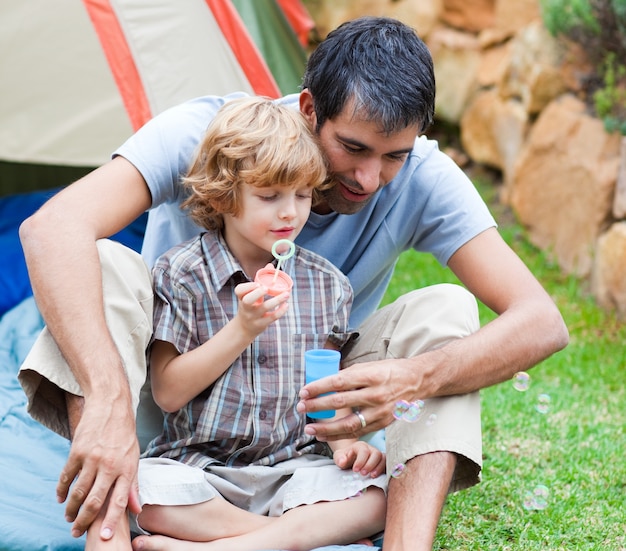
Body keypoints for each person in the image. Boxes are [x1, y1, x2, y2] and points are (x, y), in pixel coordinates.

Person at [18, 15, 569, 551]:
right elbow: (52, 229)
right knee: (106, 265)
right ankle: (110, 535)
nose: (369, 179)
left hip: (303, 408)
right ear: (309, 109)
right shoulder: (213, 135)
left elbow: (541, 321)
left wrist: (413, 378)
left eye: (395, 155)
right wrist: (111, 400)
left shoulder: (424, 176)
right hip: (173, 403)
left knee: (446, 308)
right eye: (353, 148)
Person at [124, 96, 386, 550]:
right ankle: (282, 540)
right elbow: (167, 392)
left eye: (303, 195)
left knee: (382, 496)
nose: (290, 213)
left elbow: (324, 395)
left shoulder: (328, 286)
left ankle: (223, 546)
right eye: (270, 197)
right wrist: (242, 328)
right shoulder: (182, 273)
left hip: (292, 471)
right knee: (140, 492)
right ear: (225, 197)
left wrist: (345, 447)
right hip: (201, 472)